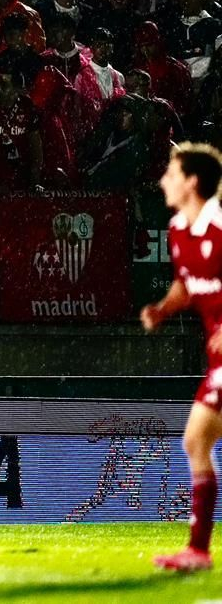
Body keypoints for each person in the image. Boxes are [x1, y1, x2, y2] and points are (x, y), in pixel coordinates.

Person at [143, 144, 222, 571]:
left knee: (196, 440)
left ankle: (199, 551)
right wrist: (163, 309)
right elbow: (187, 286)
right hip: (217, 361)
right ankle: (198, 551)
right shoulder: (178, 229)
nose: (163, 181)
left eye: (171, 173)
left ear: (192, 182)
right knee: (197, 441)